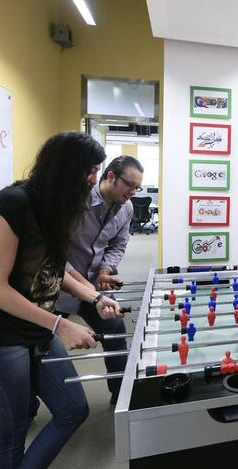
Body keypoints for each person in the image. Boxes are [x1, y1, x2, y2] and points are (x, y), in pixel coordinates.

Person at [0, 132, 122, 468]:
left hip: (34, 332)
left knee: (73, 409)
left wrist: (95, 296)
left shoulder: (57, 208)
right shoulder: (13, 204)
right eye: (90, 170)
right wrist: (60, 325)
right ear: (64, 168)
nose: (94, 179)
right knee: (10, 434)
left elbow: (59, 270)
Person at [55, 155, 144, 403]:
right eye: (130, 185)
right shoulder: (75, 201)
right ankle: (26, 405)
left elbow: (119, 243)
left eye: (138, 187)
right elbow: (55, 251)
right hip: (56, 286)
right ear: (111, 177)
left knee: (114, 328)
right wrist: (78, 282)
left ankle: (121, 394)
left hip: (93, 285)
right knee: (40, 344)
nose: (133, 192)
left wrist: (105, 270)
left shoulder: (126, 208)